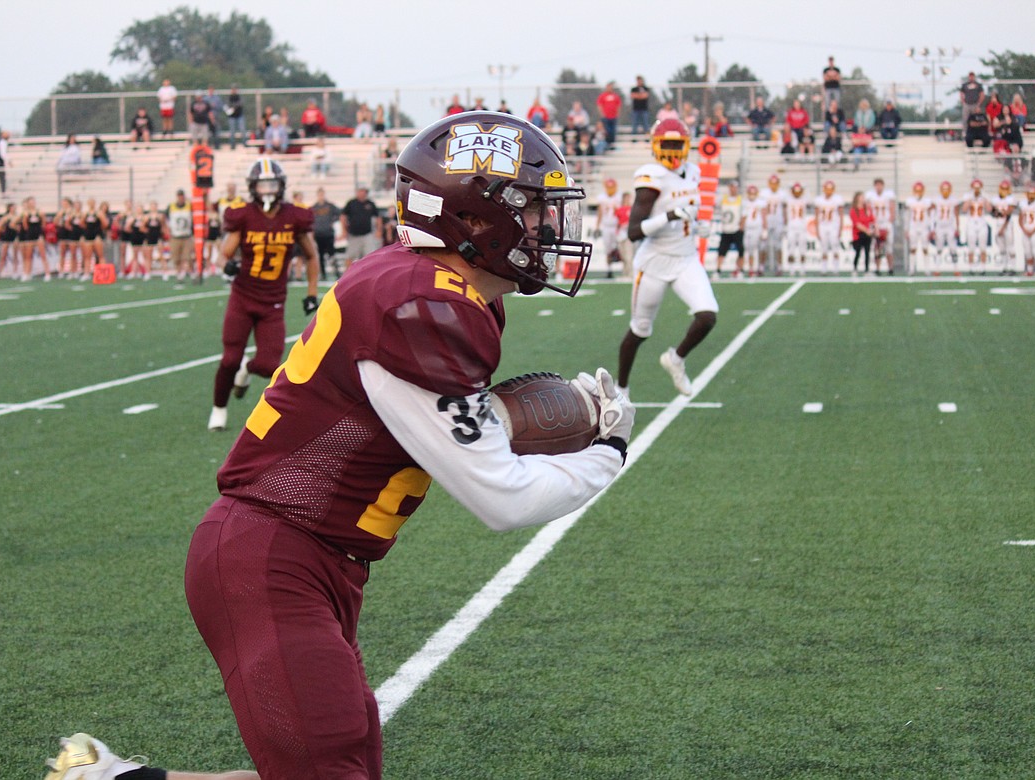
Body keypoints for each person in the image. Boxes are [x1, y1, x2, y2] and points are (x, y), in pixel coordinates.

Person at [46, 110, 631, 780]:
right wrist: (605, 453)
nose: (548, 228)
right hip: (270, 557)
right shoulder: (423, 306)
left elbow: (445, 428)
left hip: (312, 560)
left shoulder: (435, 288)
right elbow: (501, 496)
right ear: (473, 220)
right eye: (531, 209)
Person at [207, 158, 318, 432]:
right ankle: (219, 408)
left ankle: (247, 369)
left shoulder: (294, 216)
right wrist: (228, 265)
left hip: (274, 301)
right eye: (262, 184)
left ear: (281, 186)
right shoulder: (243, 214)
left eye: (272, 184)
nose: (267, 190)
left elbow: (312, 255)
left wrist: (312, 293)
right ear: (252, 187)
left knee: (269, 365)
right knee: (229, 359)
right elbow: (223, 255)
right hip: (243, 297)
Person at [617, 117, 717, 398]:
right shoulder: (651, 177)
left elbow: (689, 211)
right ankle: (621, 387)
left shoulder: (694, 172)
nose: (672, 150)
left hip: (686, 258)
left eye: (677, 144)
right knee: (640, 331)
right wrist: (669, 216)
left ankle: (676, 358)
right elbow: (634, 232)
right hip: (654, 263)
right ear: (656, 146)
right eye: (667, 144)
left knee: (707, 316)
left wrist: (697, 226)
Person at [340, 186, 380, 268]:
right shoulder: (351, 203)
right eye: (360, 191)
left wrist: (378, 230)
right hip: (354, 235)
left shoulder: (370, 204)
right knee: (350, 256)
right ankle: (347, 275)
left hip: (367, 234)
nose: (362, 193)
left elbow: (378, 218)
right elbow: (343, 216)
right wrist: (344, 230)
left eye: (363, 191)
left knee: (370, 256)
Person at [865, 178, 897, 275]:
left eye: (880, 185)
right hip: (876, 224)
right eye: (877, 185)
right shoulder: (870, 196)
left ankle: (890, 268)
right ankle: (878, 269)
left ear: (883, 186)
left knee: (889, 247)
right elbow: (868, 211)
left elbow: (892, 210)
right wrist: (873, 225)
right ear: (874, 186)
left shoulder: (888, 195)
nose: (878, 187)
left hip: (886, 223)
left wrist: (889, 223)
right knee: (877, 247)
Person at [713, 180, 743, 278]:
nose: (733, 189)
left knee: (741, 250)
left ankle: (739, 270)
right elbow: (714, 205)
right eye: (731, 187)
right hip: (726, 229)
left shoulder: (740, 200)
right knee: (721, 251)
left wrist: (742, 226)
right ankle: (718, 270)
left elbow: (744, 215)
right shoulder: (723, 199)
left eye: (735, 187)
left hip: (736, 229)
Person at [961, 179, 991, 274]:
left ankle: (983, 268)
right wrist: (971, 199)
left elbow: (989, 209)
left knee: (983, 247)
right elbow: (964, 209)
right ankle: (971, 268)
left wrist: (984, 199)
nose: (976, 190)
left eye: (978, 188)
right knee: (971, 247)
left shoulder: (984, 196)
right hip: (971, 224)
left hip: (982, 223)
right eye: (975, 188)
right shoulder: (968, 196)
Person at [814, 180, 844, 274]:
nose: (828, 191)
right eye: (827, 189)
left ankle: (836, 268)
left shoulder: (837, 199)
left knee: (835, 246)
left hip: (833, 226)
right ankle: (824, 269)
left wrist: (840, 229)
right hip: (823, 225)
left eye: (830, 189)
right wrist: (817, 230)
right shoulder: (819, 200)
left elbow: (841, 215)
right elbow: (816, 216)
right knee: (824, 248)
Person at [309, 186, 340, 280]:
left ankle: (337, 272)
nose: (321, 196)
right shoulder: (313, 208)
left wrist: (332, 221)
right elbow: (310, 220)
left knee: (332, 254)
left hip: (328, 233)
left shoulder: (330, 206)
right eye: (319, 194)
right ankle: (323, 274)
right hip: (318, 234)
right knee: (320, 256)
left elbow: (339, 214)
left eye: (322, 194)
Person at [759, 174, 787, 275]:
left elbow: (784, 209)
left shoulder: (782, 194)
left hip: (778, 222)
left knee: (778, 246)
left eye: (775, 183)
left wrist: (785, 222)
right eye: (772, 183)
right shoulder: (764, 193)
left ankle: (779, 267)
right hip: (767, 222)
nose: (773, 185)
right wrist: (763, 223)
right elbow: (762, 210)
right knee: (763, 246)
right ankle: (761, 267)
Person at [904, 182, 934, 275]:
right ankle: (911, 269)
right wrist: (906, 229)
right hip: (913, 226)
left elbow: (931, 215)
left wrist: (931, 228)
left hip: (924, 227)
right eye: (917, 190)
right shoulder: (910, 201)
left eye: (920, 190)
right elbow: (907, 216)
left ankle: (927, 269)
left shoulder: (927, 201)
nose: (918, 192)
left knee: (925, 248)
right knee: (913, 248)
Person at [931, 181, 960, 273]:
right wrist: (933, 229)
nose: (945, 191)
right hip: (939, 226)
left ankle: (956, 268)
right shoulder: (936, 200)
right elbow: (932, 214)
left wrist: (957, 228)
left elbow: (956, 215)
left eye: (947, 189)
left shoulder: (954, 200)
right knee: (939, 248)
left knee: (953, 248)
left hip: (950, 226)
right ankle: (937, 269)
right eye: (944, 189)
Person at [738, 184, 766, 278]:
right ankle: (744, 268)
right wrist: (741, 226)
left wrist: (764, 229)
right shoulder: (745, 203)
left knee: (754, 249)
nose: (752, 195)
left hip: (757, 228)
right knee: (746, 248)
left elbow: (764, 216)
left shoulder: (760, 203)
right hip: (747, 228)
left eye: (753, 193)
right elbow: (743, 216)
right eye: (750, 193)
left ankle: (753, 269)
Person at [166, 189, 194, 281]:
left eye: (182, 196)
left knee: (187, 257)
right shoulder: (171, 207)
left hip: (186, 236)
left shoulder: (189, 206)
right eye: (179, 196)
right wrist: (166, 229)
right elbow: (164, 218)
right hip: (175, 236)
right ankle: (179, 273)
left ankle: (187, 272)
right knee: (176, 258)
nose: (181, 197)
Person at [594, 178, 621, 272]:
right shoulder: (602, 197)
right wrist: (597, 226)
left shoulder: (619, 196)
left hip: (617, 226)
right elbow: (600, 213)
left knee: (620, 247)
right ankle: (609, 269)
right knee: (608, 249)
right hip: (606, 226)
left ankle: (623, 268)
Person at [1017, 183, 1035, 276]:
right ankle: (1029, 270)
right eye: (1030, 194)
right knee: (1028, 251)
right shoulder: (1022, 203)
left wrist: (1032, 231)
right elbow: (1020, 219)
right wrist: (1025, 230)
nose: (1031, 196)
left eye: (1033, 194)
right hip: (1026, 231)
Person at [784, 182, 810, 275]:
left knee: (802, 249)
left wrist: (802, 188)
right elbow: (786, 192)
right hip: (791, 227)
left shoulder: (804, 199)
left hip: (801, 228)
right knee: (791, 248)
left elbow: (808, 193)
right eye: (795, 191)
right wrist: (792, 188)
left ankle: (802, 269)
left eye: (799, 191)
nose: (797, 193)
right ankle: (791, 269)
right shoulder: (789, 199)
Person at [992, 180, 1018, 274]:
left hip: (1007, 225)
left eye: (1006, 188)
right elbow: (994, 213)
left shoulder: (1011, 199)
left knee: (1010, 247)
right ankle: (1004, 267)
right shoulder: (995, 199)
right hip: (998, 224)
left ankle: (1012, 267)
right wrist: (996, 213)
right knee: (1002, 248)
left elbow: (1009, 214)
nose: (1004, 190)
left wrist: (1003, 228)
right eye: (1003, 188)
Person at [849, 191, 876, 275]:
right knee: (858, 252)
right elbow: (857, 223)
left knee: (867, 252)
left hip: (867, 235)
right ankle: (855, 268)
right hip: (858, 234)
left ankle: (867, 270)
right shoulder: (854, 210)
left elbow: (872, 220)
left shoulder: (867, 209)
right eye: (861, 197)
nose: (863, 199)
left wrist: (872, 230)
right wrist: (866, 230)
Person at [596, 82, 622, 146]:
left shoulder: (615, 96)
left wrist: (617, 114)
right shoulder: (603, 96)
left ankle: (612, 143)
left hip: (613, 117)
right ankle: (607, 143)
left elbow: (618, 105)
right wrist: (602, 114)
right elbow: (599, 105)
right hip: (606, 117)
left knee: (613, 131)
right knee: (607, 131)